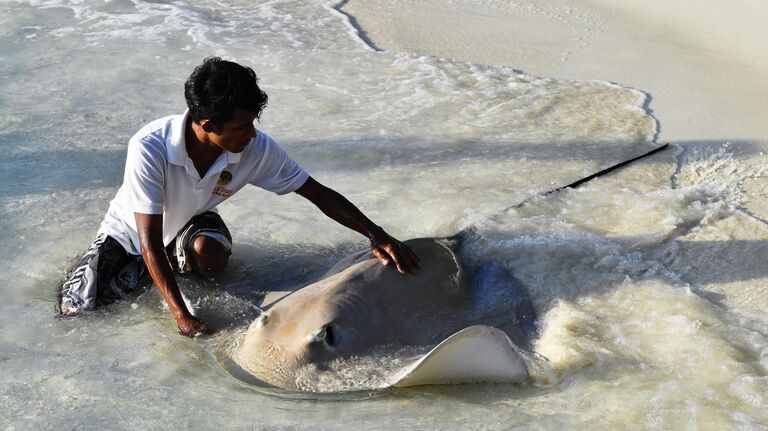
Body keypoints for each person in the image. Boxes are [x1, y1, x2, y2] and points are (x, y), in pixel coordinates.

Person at [59, 57, 421, 337]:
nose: (252, 134)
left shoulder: (255, 148)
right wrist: (181, 315)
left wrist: (376, 234)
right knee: (76, 314)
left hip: (192, 219)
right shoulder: (149, 147)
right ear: (207, 126)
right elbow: (148, 241)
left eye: (253, 122)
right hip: (132, 232)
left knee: (211, 255)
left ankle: (177, 266)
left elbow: (316, 192)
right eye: (241, 127)